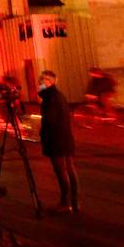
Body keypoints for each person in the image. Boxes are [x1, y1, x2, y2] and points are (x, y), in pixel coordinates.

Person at [39, 70, 79, 212]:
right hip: (65, 137)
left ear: (51, 81)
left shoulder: (51, 98)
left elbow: (50, 120)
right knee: (70, 169)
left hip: (56, 139)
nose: (41, 83)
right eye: (41, 79)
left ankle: (65, 202)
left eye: (44, 80)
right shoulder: (58, 96)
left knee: (61, 171)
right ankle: (74, 201)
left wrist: (42, 130)